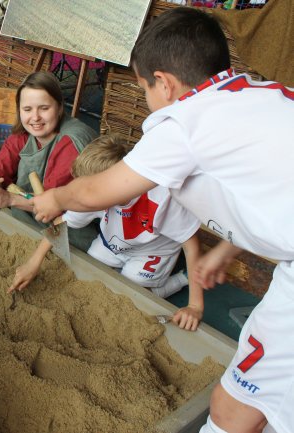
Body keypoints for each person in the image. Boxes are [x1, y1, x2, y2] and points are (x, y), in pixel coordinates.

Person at [32, 7, 294, 433]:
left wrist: (56, 198)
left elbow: (99, 190)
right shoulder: (254, 96)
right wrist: (229, 247)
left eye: (144, 89)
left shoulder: (185, 122)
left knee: (233, 408)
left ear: (165, 83)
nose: (148, 102)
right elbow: (271, 192)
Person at [9, 134, 204, 331]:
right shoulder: (92, 194)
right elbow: (62, 223)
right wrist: (33, 262)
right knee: (93, 268)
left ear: (113, 186)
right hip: (113, 242)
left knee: (132, 291)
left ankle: (180, 279)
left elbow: (191, 244)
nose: (86, 197)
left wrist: (195, 306)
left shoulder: (161, 199)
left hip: (152, 251)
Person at [0, 71, 98, 251]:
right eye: (27, 109)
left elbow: (53, 205)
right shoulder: (23, 135)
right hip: (36, 213)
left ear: (60, 107)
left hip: (73, 225)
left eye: (44, 108)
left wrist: (9, 198)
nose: (35, 117)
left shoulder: (71, 142)